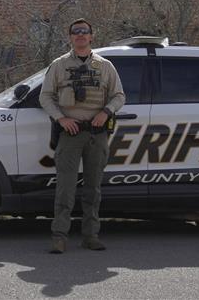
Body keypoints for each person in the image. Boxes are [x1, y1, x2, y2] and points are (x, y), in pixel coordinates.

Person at [39, 18, 125, 254]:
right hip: (70, 133)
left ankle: (90, 236)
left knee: (93, 189)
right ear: (70, 37)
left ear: (91, 36)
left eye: (84, 31)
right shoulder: (59, 65)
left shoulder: (105, 66)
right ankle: (59, 237)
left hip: (96, 135)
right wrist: (61, 118)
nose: (80, 35)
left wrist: (106, 112)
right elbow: (45, 97)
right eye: (75, 31)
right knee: (65, 189)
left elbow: (119, 96)